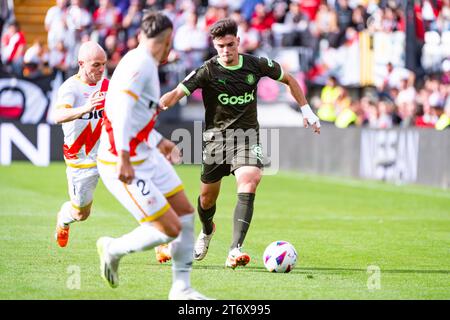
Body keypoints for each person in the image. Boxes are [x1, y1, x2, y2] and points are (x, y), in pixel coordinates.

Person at [159, 18, 320, 269]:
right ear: (214, 45)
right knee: (206, 200)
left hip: (247, 139)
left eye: (230, 45)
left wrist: (307, 110)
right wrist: (158, 104)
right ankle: (207, 230)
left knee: (250, 179)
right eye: (220, 46)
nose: (226, 50)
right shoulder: (207, 70)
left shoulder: (255, 65)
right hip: (215, 142)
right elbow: (177, 93)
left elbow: (289, 79)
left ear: (239, 42)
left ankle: (235, 249)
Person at [95, 11, 210, 300]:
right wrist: (122, 155)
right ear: (168, 41)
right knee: (169, 228)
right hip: (122, 160)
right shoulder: (141, 64)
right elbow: (120, 110)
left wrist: (160, 142)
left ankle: (181, 288)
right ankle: (113, 248)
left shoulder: (142, 60)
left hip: (144, 153)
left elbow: (137, 117)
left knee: (185, 214)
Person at [52, 40, 177, 249]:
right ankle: (64, 218)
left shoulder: (108, 86)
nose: (101, 69)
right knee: (80, 213)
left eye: (103, 64)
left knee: (138, 191)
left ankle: (160, 243)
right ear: (81, 63)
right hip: (81, 160)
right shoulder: (70, 88)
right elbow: (57, 116)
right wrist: (84, 108)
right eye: (95, 65)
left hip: (109, 154)